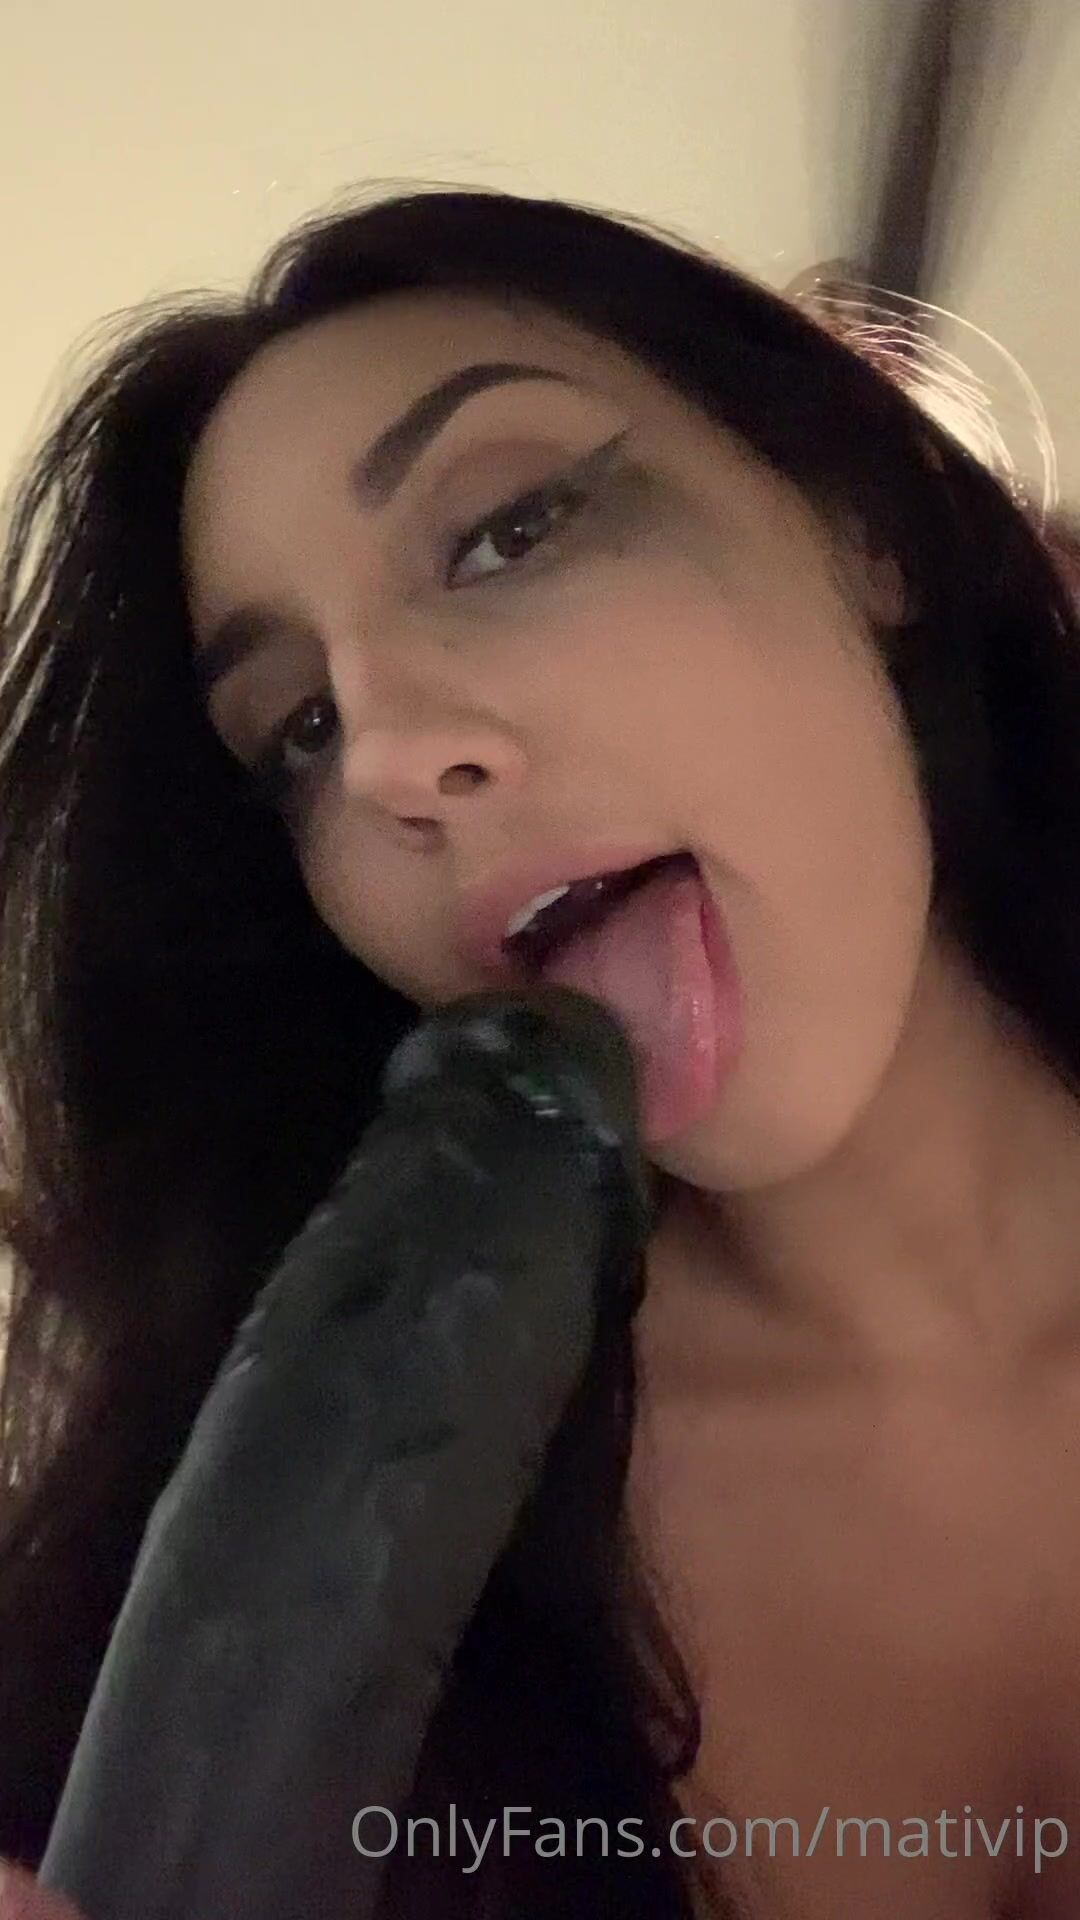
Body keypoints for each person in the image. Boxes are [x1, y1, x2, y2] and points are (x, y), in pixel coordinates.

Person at [1, 184, 1080, 1920]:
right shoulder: (274, 1596)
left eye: (508, 532)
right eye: (299, 728)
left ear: (864, 521)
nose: (386, 760)